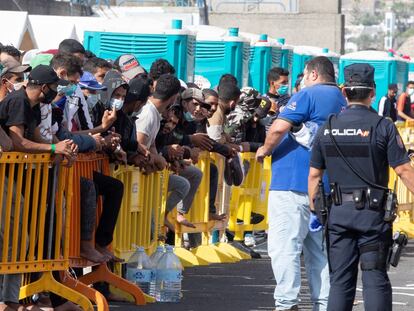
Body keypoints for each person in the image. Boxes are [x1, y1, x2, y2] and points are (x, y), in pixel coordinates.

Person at [308, 63, 414, 311]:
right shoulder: (383, 126)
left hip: (337, 214)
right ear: (372, 92)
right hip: (372, 215)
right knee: (375, 279)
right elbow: (404, 170)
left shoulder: (329, 127)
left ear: (344, 92)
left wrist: (317, 211)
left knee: (340, 283)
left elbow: (314, 176)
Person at [256, 56, 347, 311]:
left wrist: (264, 149)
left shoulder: (308, 95)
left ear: (314, 74)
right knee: (317, 253)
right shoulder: (340, 100)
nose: (302, 81)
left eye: (305, 75)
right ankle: (323, 303)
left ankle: (286, 303)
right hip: (321, 188)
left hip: (291, 183)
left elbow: (277, 129)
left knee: (284, 246)